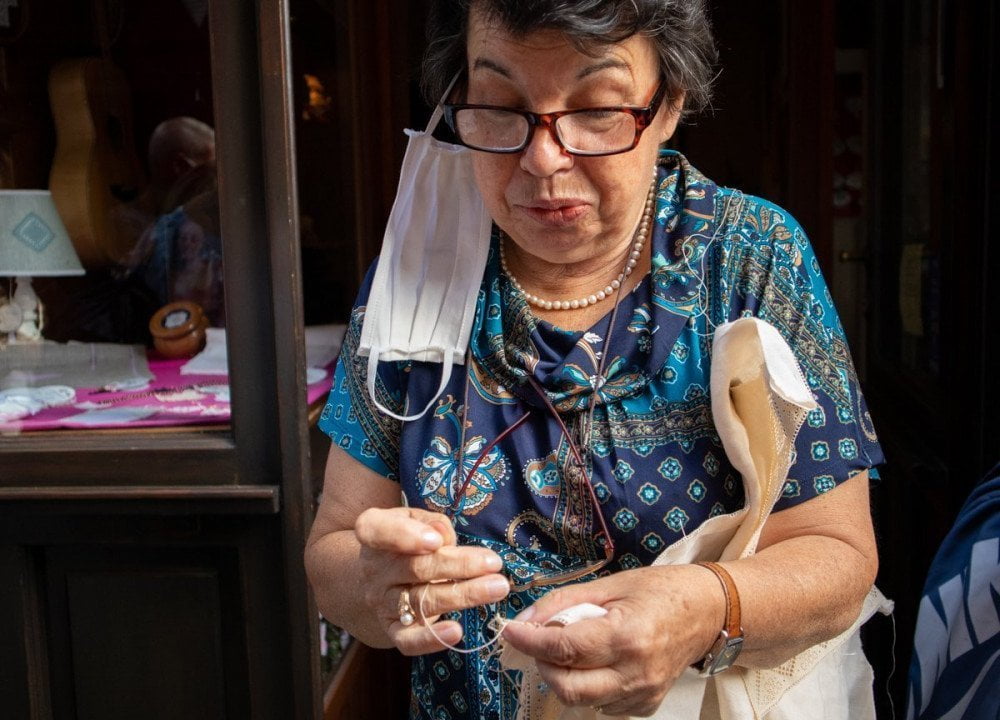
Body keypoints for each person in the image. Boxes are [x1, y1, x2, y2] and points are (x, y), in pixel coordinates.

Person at [305, 1, 884, 718]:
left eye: (598, 108)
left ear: (666, 104)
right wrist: (372, 586)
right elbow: (334, 546)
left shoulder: (751, 257)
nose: (544, 157)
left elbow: (839, 553)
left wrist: (701, 609)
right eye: (500, 105)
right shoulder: (420, 269)